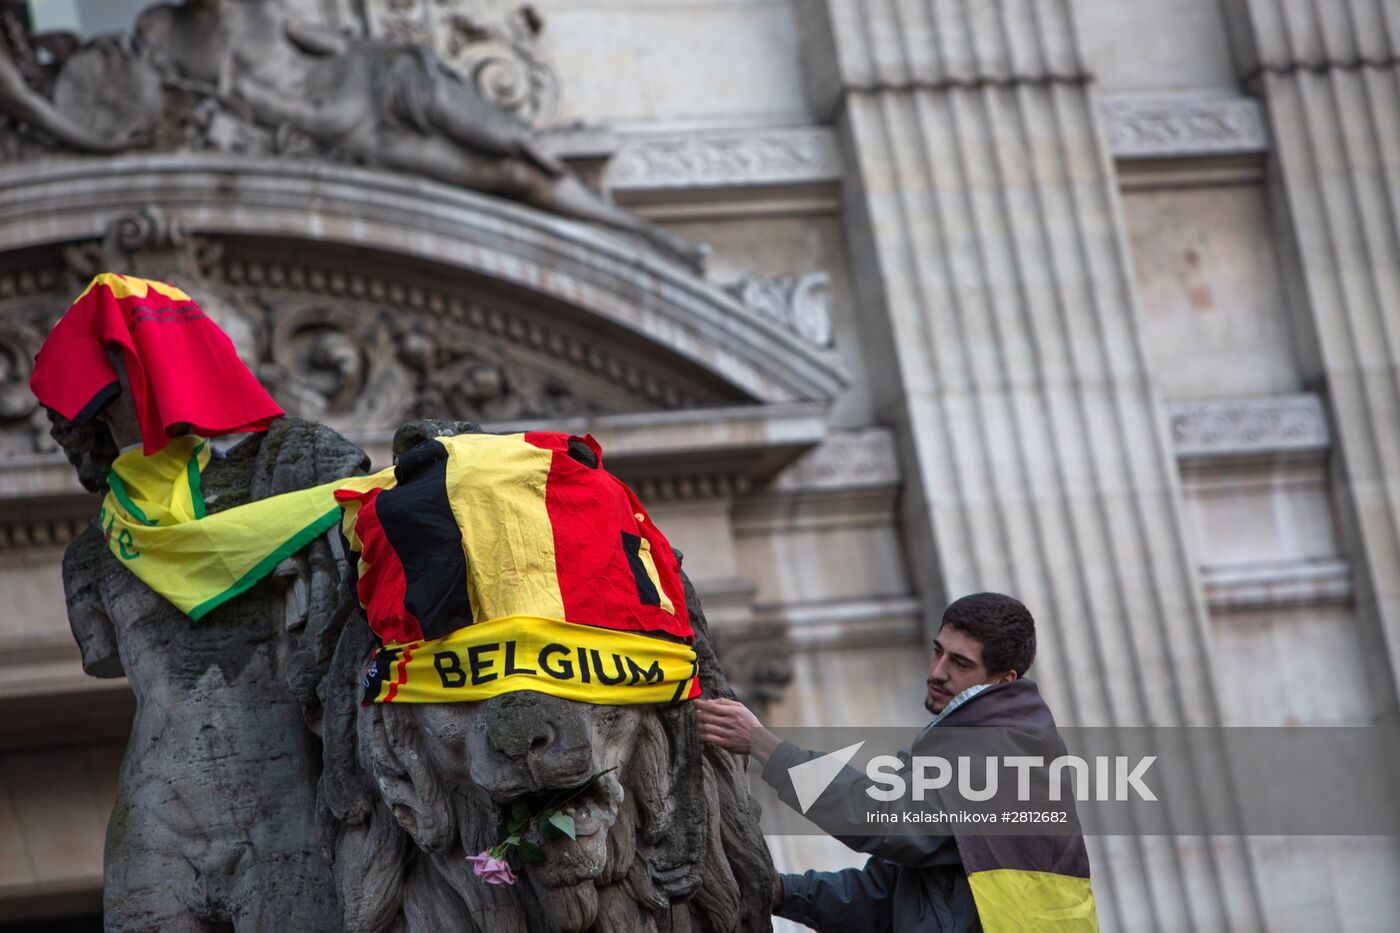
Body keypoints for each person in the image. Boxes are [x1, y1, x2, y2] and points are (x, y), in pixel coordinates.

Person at [695, 592, 1098, 932]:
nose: (937, 672)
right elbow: (896, 896)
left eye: (960, 663)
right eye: (938, 651)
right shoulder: (982, 740)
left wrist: (765, 746)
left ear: (1003, 680)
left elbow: (878, 815)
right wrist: (781, 890)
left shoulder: (1000, 754)